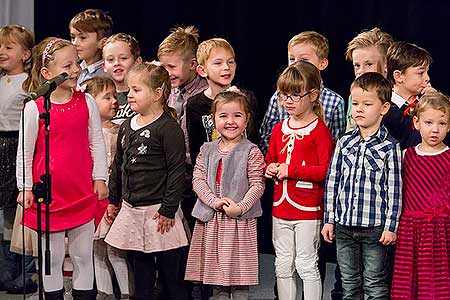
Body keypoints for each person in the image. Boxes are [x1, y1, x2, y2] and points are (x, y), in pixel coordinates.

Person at [16, 37, 108, 300]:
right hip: (50, 195)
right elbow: (25, 150)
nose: (77, 69)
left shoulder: (87, 102)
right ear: (47, 73)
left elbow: (96, 143)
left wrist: (100, 177)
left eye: (77, 62)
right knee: (52, 258)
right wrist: (24, 186)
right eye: (68, 65)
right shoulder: (34, 108)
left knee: (82, 255)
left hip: (80, 191)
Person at [105, 62, 189, 300]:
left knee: (170, 274)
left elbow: (176, 171)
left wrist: (169, 209)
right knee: (140, 271)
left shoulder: (168, 128)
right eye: (129, 90)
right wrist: (114, 200)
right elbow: (120, 166)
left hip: (160, 213)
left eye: (136, 90)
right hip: (133, 210)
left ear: (158, 93)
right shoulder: (127, 127)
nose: (129, 95)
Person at [322, 72, 402, 300]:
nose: (359, 109)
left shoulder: (389, 147)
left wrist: (390, 226)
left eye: (367, 104)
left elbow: (395, 190)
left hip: (374, 228)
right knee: (348, 283)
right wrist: (329, 219)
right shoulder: (344, 142)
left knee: (375, 283)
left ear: (384, 108)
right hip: (344, 226)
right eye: (355, 103)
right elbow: (332, 182)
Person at [185, 90, 265, 300]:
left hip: (239, 222)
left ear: (247, 119)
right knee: (216, 279)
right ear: (213, 120)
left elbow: (258, 184)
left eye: (237, 115)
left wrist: (240, 207)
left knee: (238, 279)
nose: (230, 121)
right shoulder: (207, 149)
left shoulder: (252, 151)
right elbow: (198, 180)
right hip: (212, 221)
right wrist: (214, 201)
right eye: (223, 116)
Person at [265, 61, 334, 300]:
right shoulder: (278, 129)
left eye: (295, 95)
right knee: (283, 264)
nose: (288, 101)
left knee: (305, 263)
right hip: (280, 208)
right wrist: (270, 168)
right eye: (284, 96)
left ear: (313, 95)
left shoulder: (319, 131)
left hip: (307, 210)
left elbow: (326, 171)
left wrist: (291, 170)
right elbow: (271, 159)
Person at [391, 92, 450, 299]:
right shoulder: (406, 156)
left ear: (449, 126)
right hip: (411, 230)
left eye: (442, 123)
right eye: (429, 122)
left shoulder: (449, 157)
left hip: (442, 232)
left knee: (437, 283)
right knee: (409, 283)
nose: (435, 129)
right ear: (416, 123)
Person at [81, 76, 131, 300]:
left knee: (115, 248)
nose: (114, 101)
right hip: (93, 195)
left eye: (115, 96)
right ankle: (105, 293)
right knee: (97, 248)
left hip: (115, 196)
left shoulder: (122, 129)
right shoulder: (84, 132)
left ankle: (129, 293)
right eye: (107, 97)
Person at [186, 37, 259, 186]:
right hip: (211, 179)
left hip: (244, 177)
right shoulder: (195, 105)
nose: (226, 67)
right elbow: (196, 148)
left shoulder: (247, 98)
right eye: (218, 63)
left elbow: (254, 137)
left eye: (230, 62)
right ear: (202, 70)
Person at [259, 31, 345, 153]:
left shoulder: (335, 102)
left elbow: (335, 144)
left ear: (322, 63)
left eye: (304, 60)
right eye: (292, 59)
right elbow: (266, 136)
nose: (296, 64)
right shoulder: (279, 97)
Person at [0, 24, 37, 294]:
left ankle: (23, 271)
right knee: (4, 214)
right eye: (0, 46)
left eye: (8, 47)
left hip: (18, 145)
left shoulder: (29, 83)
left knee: (19, 212)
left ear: (25, 54)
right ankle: (5, 270)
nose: (1, 51)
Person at [383, 41, 450, 149]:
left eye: (427, 72)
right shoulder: (384, 108)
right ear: (399, 76)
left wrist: (438, 103)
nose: (427, 78)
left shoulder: (426, 104)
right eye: (420, 73)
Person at [157, 25, 208, 164]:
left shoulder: (206, 93)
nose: (167, 73)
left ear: (192, 64)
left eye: (172, 67)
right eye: (163, 67)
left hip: (196, 165)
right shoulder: (165, 91)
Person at [345, 27, 394, 132]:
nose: (361, 71)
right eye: (357, 65)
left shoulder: (397, 100)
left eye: (368, 64)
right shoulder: (353, 96)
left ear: (386, 65)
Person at [103, 33, 142, 124]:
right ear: (104, 66)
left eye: (123, 58)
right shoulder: (99, 98)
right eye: (110, 60)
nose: (116, 63)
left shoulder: (147, 95)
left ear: (137, 62)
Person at [69, 8, 113, 88]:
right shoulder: (72, 70)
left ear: (102, 43)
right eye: (73, 37)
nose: (75, 43)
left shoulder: (108, 76)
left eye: (82, 38)